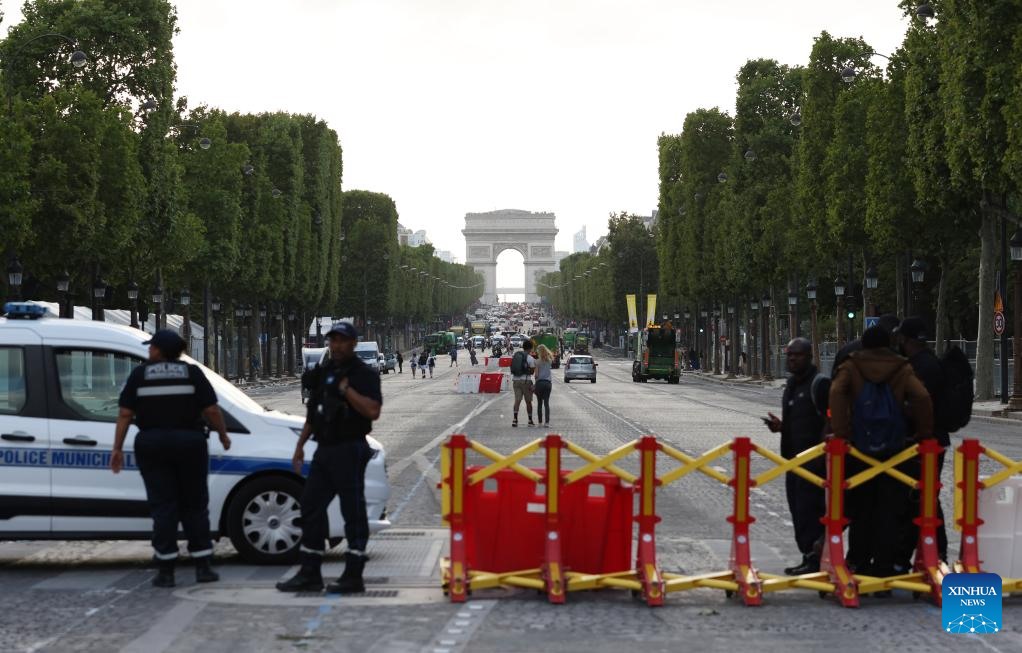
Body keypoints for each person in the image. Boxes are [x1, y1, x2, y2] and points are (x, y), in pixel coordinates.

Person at [112, 329, 232, 588]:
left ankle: (166, 570)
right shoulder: (192, 373)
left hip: (152, 444)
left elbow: (124, 414)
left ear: (158, 350)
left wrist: (117, 448)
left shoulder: (140, 375)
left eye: (151, 347)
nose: (148, 351)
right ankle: (203, 566)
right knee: (194, 504)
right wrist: (222, 434)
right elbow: (211, 409)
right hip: (190, 444)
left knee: (163, 505)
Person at [277, 321, 382, 594]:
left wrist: (347, 391)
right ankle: (310, 572)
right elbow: (314, 413)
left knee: (353, 512)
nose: (336, 345)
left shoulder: (364, 373)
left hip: (350, 448)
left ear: (353, 344)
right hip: (324, 450)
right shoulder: (325, 372)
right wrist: (300, 446)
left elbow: (372, 411)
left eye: (341, 340)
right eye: (332, 340)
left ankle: (353, 574)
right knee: (310, 506)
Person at [829, 325, 933, 582]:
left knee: (861, 508)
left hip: (859, 449)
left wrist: (842, 432)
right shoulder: (901, 367)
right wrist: (923, 433)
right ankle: (884, 567)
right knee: (889, 510)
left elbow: (835, 392)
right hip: (893, 449)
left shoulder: (852, 366)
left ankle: (859, 561)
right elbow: (921, 397)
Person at [765, 338, 829, 576]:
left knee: (811, 511)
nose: (792, 359)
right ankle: (809, 555)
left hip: (814, 463)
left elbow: (830, 419)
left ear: (809, 356)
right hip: (792, 461)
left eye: (798, 355)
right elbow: (798, 421)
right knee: (798, 511)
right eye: (789, 354)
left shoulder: (819, 384)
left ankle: (815, 558)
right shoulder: (792, 384)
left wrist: (821, 453)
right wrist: (781, 427)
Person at [893, 316, 949, 569]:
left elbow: (919, 405)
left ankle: (919, 556)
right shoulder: (932, 362)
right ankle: (932, 555)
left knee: (918, 499)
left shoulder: (915, 367)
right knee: (925, 498)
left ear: (904, 339)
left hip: (923, 442)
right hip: (933, 440)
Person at [510, 340, 537, 427]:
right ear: (530, 348)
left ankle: (515, 419)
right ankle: (530, 420)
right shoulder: (530, 358)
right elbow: (532, 372)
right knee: (528, 401)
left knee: (517, 401)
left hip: (516, 381)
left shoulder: (517, 356)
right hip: (526, 381)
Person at [534, 344, 554, 426]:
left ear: (539, 352)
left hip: (540, 383)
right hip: (548, 383)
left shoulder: (537, 362)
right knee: (546, 403)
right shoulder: (549, 360)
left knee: (539, 403)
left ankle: (540, 422)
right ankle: (547, 422)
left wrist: (535, 383)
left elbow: (536, 375)